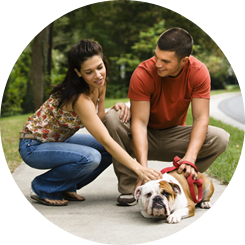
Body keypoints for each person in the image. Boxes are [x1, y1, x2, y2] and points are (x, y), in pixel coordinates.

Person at [19, 40, 162, 206]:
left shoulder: (98, 84)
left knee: (106, 152)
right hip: (33, 145)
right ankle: (44, 186)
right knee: (91, 157)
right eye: (89, 71)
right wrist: (139, 168)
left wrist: (117, 107)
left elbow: (99, 120)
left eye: (100, 67)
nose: (98, 75)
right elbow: (105, 140)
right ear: (78, 72)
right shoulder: (78, 98)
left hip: (57, 141)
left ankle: (66, 186)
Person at [104, 27, 230, 206]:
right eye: (156, 56)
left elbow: (201, 118)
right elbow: (139, 123)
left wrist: (190, 158)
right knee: (113, 118)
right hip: (145, 134)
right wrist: (143, 169)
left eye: (165, 61)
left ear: (184, 61)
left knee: (220, 138)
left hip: (174, 137)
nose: (158, 64)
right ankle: (130, 186)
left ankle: (181, 180)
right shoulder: (143, 73)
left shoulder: (198, 72)